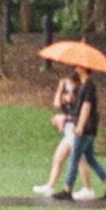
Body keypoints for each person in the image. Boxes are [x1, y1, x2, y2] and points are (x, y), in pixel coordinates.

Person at [60, 64, 106, 203]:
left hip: (85, 128)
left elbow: (86, 107)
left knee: (74, 157)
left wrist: (80, 126)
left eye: (78, 66)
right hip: (88, 128)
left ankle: (67, 189)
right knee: (90, 158)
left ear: (84, 68)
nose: (75, 67)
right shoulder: (84, 85)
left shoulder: (88, 86)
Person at [34, 70, 78, 199]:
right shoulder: (67, 92)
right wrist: (60, 88)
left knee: (80, 162)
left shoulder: (79, 94)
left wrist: (63, 117)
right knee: (58, 158)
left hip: (75, 131)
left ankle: (89, 188)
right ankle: (50, 186)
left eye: (70, 83)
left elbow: (75, 110)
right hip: (69, 131)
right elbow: (57, 103)